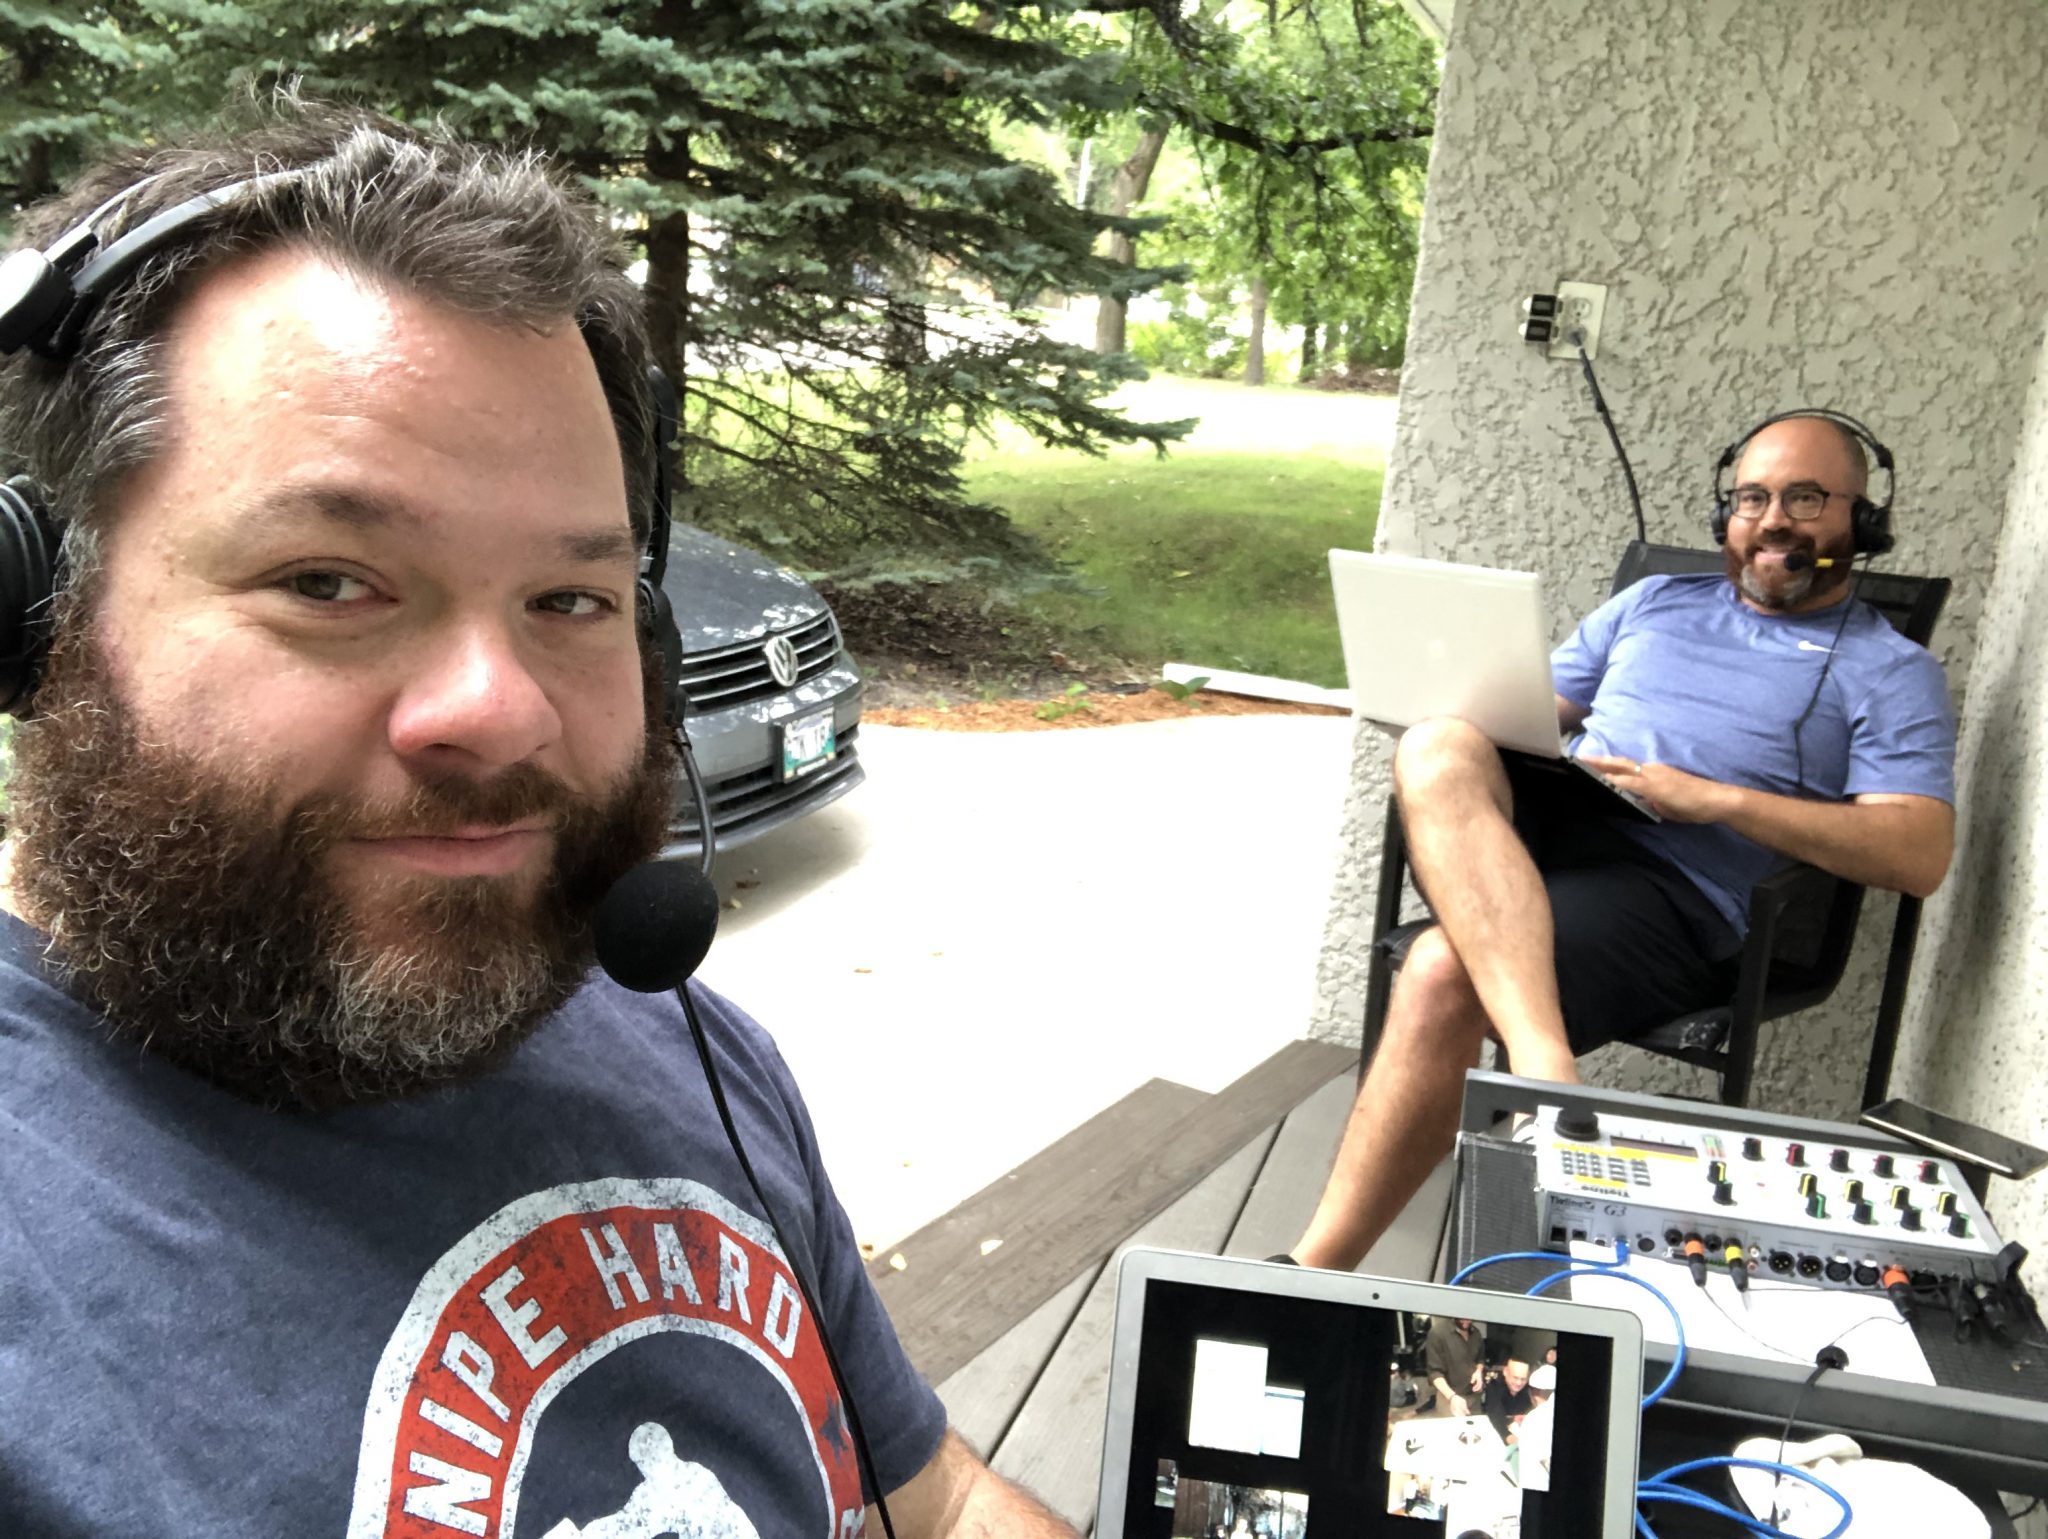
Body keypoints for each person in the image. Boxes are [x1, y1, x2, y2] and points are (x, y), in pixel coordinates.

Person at [0, 100, 1072, 1537]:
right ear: (42, 617)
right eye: (328, 581)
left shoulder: (688, 1047)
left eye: (570, 599)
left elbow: (931, 1504)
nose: (500, 710)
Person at [1290, 412, 1957, 1272]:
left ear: (1862, 520)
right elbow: (1531, 708)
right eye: (1751, 498)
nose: (1772, 521)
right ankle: (1546, 1072)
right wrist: (1439, 691)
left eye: (1805, 498)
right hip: (1559, 823)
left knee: (1443, 968)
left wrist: (1717, 800)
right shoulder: (1655, 602)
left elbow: (1916, 853)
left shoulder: (1891, 669)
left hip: (1672, 891)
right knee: (1436, 744)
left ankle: (1313, 1271)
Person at [1423, 1315, 1486, 1417]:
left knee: (1476, 1426)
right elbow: (1434, 1373)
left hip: (1474, 1397)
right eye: (1463, 1318)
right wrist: (1452, 1397)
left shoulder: (1476, 1333)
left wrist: (1478, 1371)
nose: (1467, 1321)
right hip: (1448, 1398)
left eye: (1470, 1317)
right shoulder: (1437, 1333)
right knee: (1452, 1427)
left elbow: (1480, 1359)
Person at [1481, 1358, 1534, 1443]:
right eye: (1515, 1377)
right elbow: (1495, 1414)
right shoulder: (1494, 1385)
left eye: (1523, 1379)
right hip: (1497, 1433)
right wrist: (1507, 1436)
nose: (1519, 1383)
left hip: (1524, 1433)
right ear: (1505, 1372)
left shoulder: (1531, 1389)